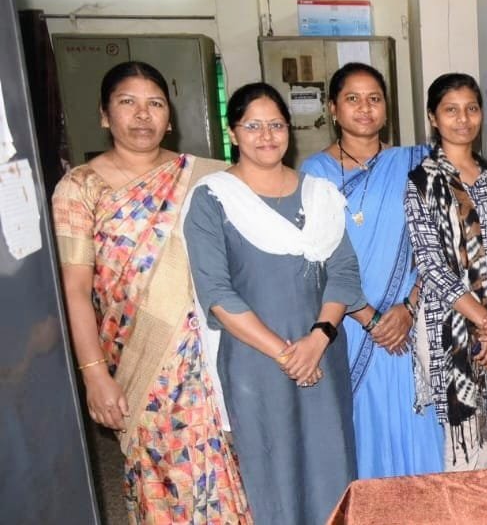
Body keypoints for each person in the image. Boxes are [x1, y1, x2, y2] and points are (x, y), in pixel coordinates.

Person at [52, 61, 251, 523]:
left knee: (220, 462)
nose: (143, 115)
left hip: (207, 352)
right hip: (135, 358)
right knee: (160, 472)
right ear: (104, 115)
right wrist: (94, 375)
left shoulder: (207, 178)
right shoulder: (80, 187)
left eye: (155, 104)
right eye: (128, 102)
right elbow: (74, 288)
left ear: (170, 117)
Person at [184, 83, 363, 523]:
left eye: (276, 125)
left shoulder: (319, 194)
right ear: (233, 132)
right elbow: (217, 293)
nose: (266, 136)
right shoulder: (213, 198)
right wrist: (287, 354)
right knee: (273, 472)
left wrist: (317, 341)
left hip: (321, 352)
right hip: (257, 361)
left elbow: (343, 272)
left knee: (332, 464)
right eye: (253, 126)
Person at [298, 62, 445, 478]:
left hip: (409, 321)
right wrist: (369, 317)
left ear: (386, 108)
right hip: (347, 323)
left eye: (374, 99)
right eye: (352, 99)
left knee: (418, 426)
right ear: (333, 108)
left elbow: (435, 245)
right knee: (363, 430)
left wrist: (409, 307)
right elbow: (314, 259)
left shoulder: (416, 163)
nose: (365, 108)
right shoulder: (313, 174)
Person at [404, 73, 487, 470]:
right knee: (461, 441)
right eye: (451, 110)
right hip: (448, 324)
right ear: (433, 117)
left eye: (471, 108)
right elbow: (431, 264)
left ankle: (480, 500)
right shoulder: (422, 181)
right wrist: (484, 320)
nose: (463, 119)